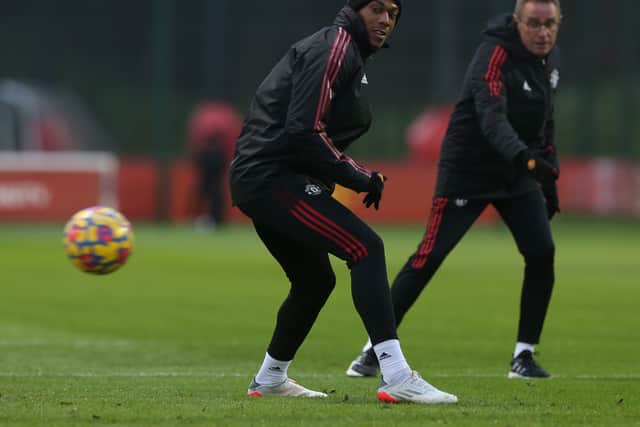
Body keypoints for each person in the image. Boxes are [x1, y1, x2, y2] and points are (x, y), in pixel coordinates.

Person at [230, 0, 457, 404]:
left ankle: (269, 379)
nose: (386, 20)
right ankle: (396, 374)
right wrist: (358, 176)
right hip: (272, 179)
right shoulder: (334, 46)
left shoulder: (347, 52)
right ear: (354, 9)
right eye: (377, 9)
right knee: (366, 247)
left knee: (315, 282)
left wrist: (344, 174)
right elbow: (304, 131)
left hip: (266, 178)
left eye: (393, 12)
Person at [346, 0, 563, 379]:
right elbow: (492, 119)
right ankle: (373, 349)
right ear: (517, 22)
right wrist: (530, 163)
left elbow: (544, 121)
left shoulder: (548, 61)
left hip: (516, 174)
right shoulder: (493, 54)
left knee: (542, 252)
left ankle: (523, 356)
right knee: (429, 257)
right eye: (534, 24)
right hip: (468, 172)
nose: (542, 32)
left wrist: (549, 175)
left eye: (550, 24)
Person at [187, 102, 242, 229]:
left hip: (209, 183)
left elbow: (199, 164)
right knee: (214, 197)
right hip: (214, 183)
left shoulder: (204, 152)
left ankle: (207, 219)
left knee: (207, 196)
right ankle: (215, 219)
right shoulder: (218, 152)